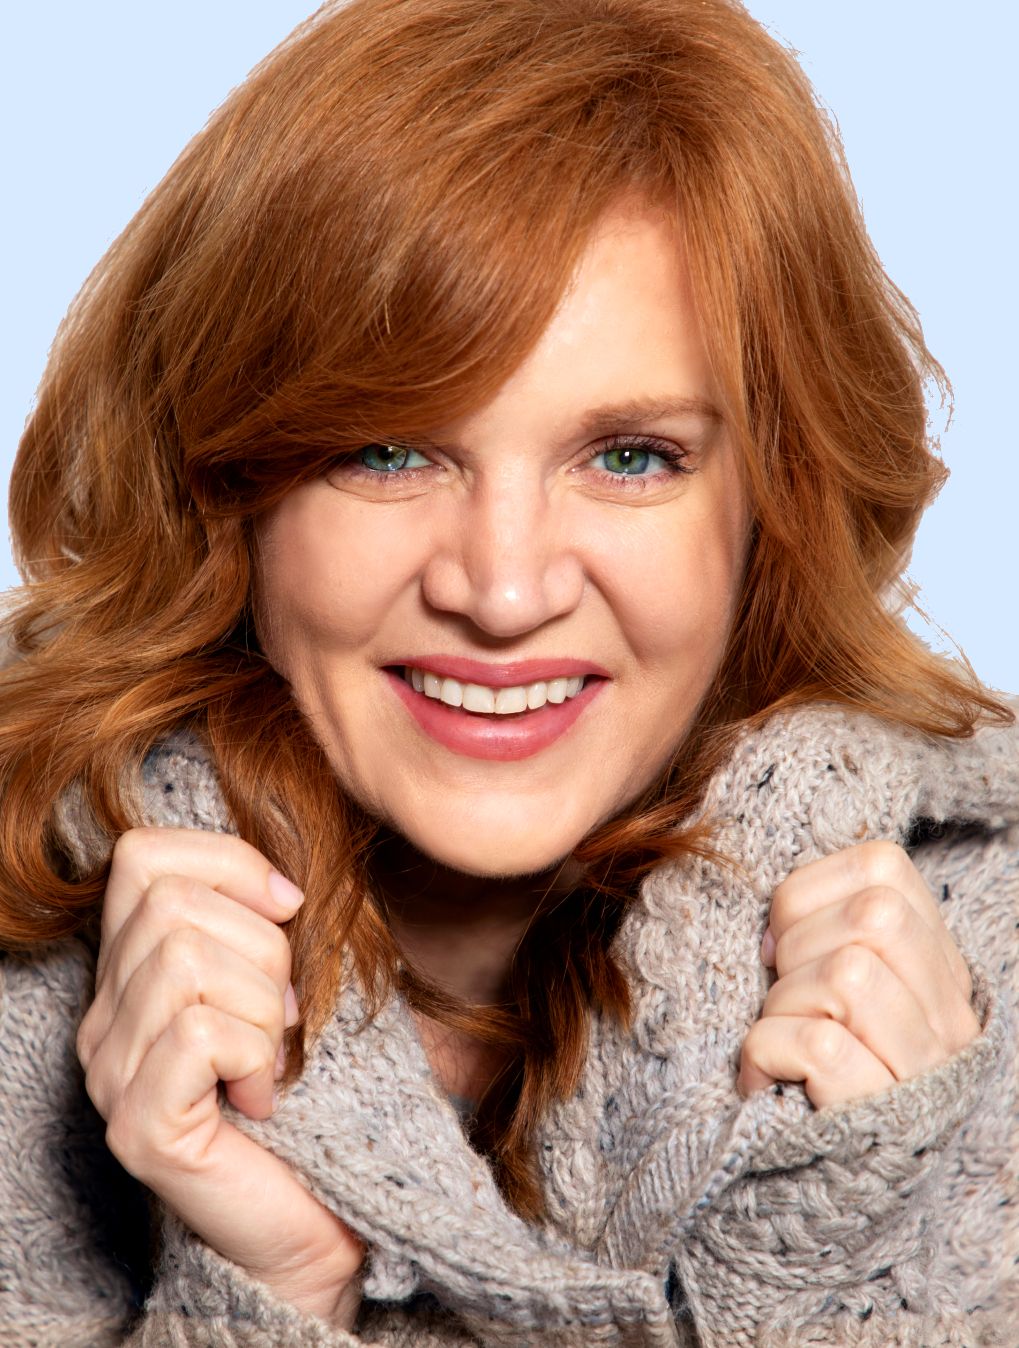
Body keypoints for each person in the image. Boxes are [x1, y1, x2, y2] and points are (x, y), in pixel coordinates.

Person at [0, 0, 1015, 1343]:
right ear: (225, 487)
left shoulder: (979, 964)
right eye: (388, 451)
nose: (504, 590)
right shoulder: (27, 955)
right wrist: (269, 1291)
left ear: (776, 503)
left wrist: (829, 1268)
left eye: (631, 457)